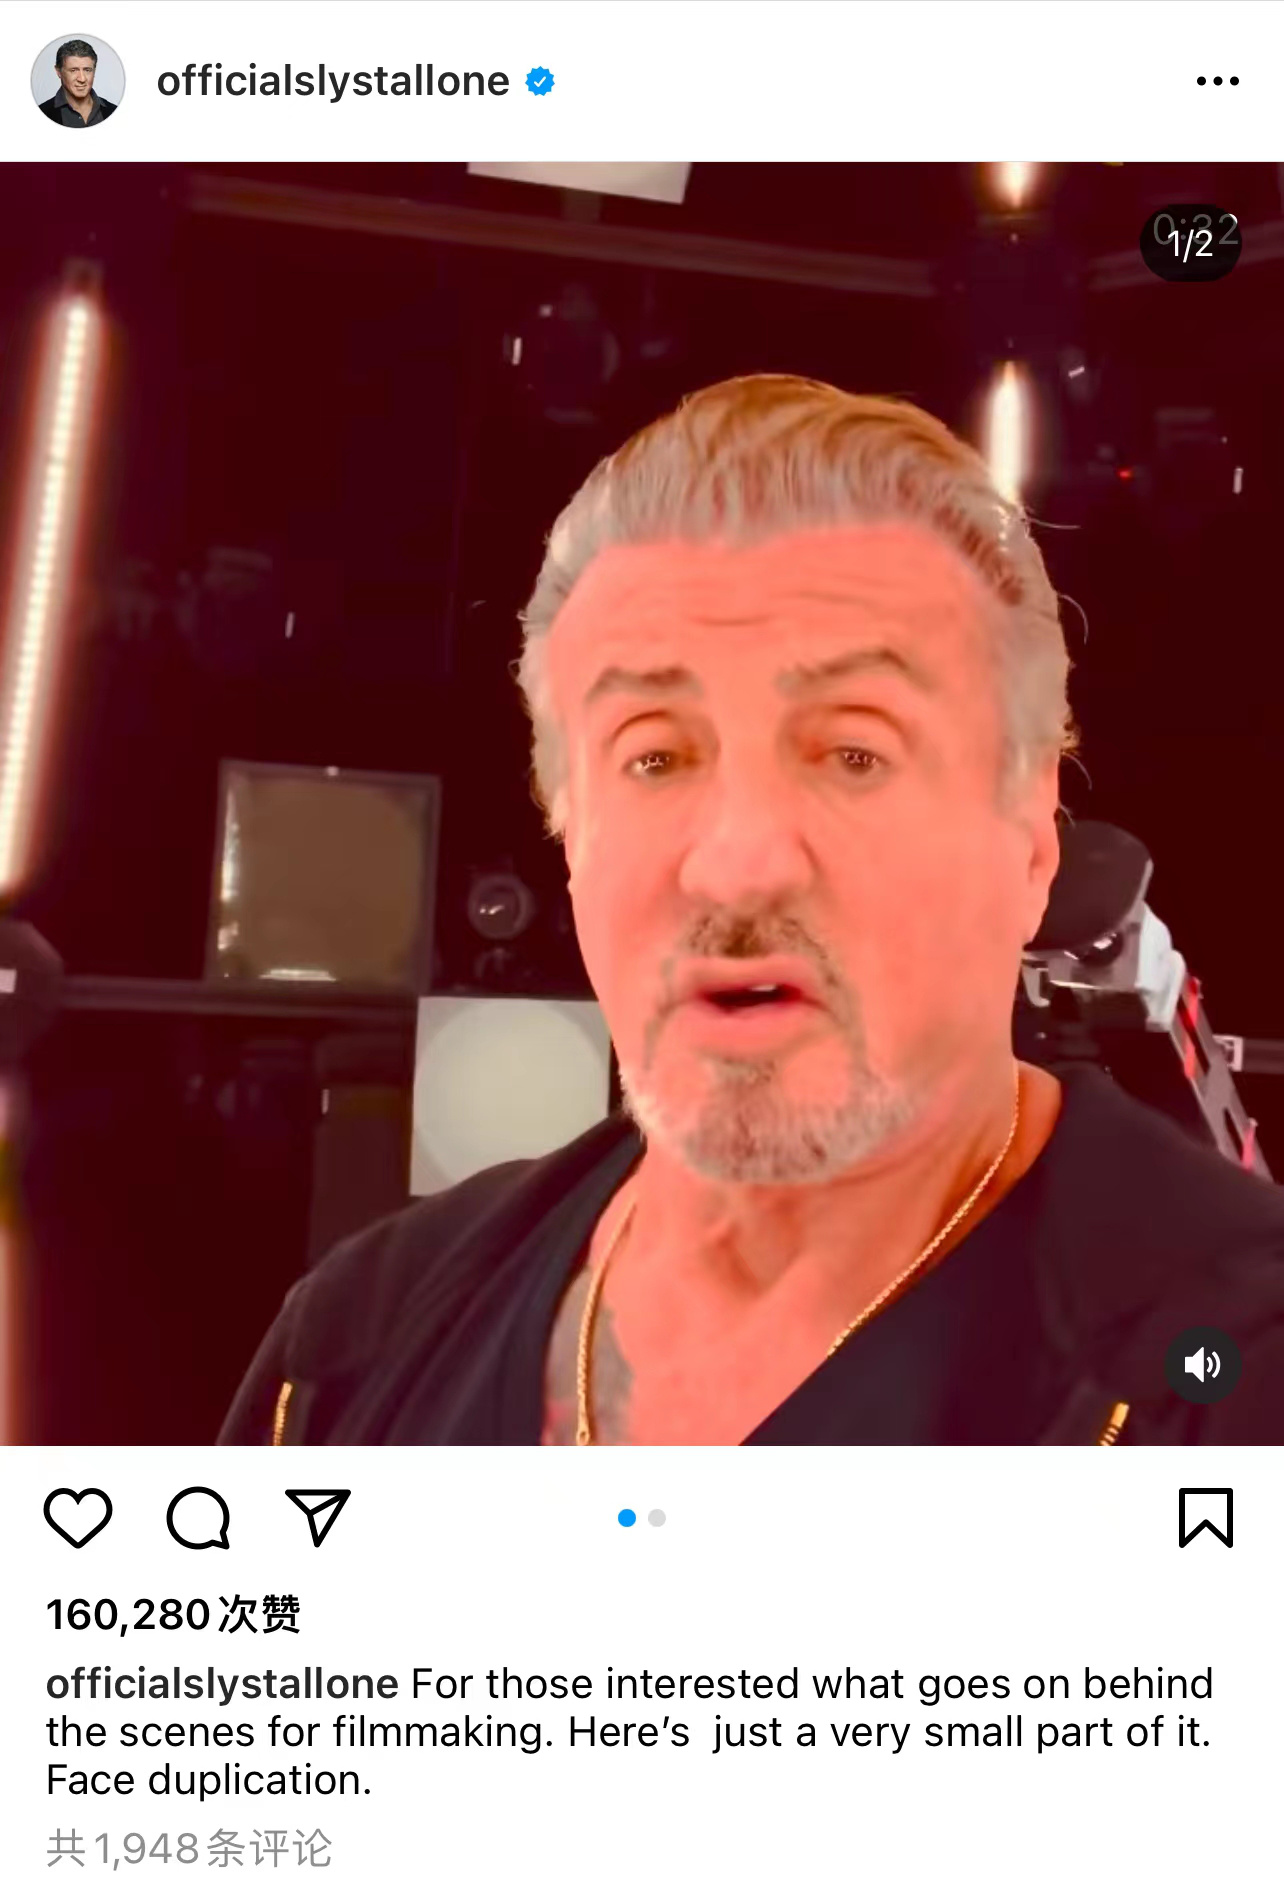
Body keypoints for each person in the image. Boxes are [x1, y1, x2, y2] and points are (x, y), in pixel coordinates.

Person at [220, 374, 1284, 1446]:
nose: (736, 867)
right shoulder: (352, 1349)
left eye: (854, 752)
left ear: (1032, 839)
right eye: (655, 756)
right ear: (569, 834)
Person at [39, 40, 116, 127]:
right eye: (73, 70)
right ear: (58, 72)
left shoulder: (113, 111)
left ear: (94, 71)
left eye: (87, 70)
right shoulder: (42, 113)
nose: (82, 79)